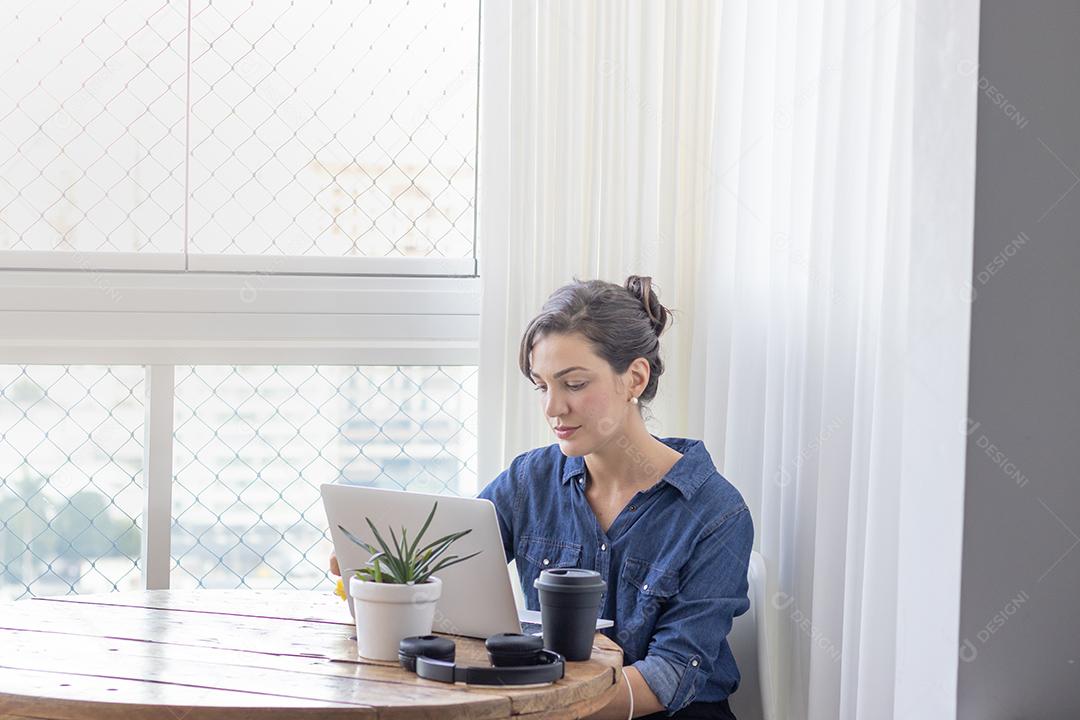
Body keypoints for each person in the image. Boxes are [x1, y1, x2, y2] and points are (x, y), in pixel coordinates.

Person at [332, 276, 753, 719]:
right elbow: (446, 581)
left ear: (634, 378)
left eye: (573, 384)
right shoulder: (528, 480)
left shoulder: (716, 514)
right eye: (541, 385)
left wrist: (533, 704)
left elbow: (668, 677)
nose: (553, 407)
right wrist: (382, 578)